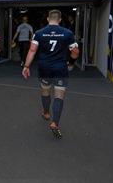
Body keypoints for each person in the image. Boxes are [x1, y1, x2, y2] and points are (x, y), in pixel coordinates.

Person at [22, 10, 79, 139]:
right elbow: (75, 52)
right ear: (59, 20)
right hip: (60, 68)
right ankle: (55, 123)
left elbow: (32, 50)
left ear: (48, 19)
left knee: (45, 91)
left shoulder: (39, 33)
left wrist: (26, 66)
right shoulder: (68, 33)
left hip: (44, 68)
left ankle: (46, 113)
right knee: (59, 95)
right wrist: (71, 63)